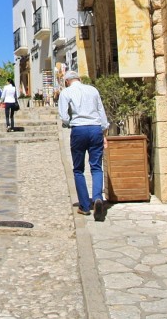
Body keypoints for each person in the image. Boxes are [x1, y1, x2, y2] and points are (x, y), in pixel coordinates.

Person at [57, 70, 109, 221]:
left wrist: (68, 123)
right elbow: (101, 112)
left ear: (67, 81)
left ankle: (85, 206)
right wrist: (104, 131)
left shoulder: (66, 93)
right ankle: (98, 198)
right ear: (79, 79)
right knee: (96, 167)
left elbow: (64, 116)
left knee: (78, 169)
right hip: (95, 129)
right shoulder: (93, 90)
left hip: (78, 130)